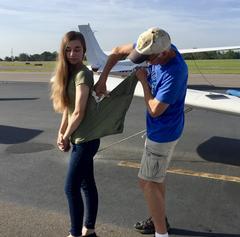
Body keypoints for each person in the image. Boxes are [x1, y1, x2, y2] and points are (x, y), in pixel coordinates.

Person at [95, 27, 188, 237]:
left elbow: (155, 110)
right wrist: (103, 79)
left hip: (163, 134)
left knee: (146, 182)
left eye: (148, 58)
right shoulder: (155, 45)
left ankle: (161, 233)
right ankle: (159, 219)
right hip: (162, 130)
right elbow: (118, 50)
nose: (144, 61)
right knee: (156, 179)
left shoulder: (175, 71)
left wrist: (144, 82)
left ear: (163, 53)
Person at [51, 31, 99, 237]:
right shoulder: (69, 74)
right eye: (68, 49)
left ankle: (75, 234)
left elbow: (79, 112)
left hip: (86, 140)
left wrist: (67, 135)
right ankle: (89, 229)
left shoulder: (83, 74)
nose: (72, 54)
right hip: (80, 138)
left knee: (71, 188)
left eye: (77, 49)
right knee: (87, 185)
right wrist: (61, 133)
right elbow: (68, 110)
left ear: (84, 50)